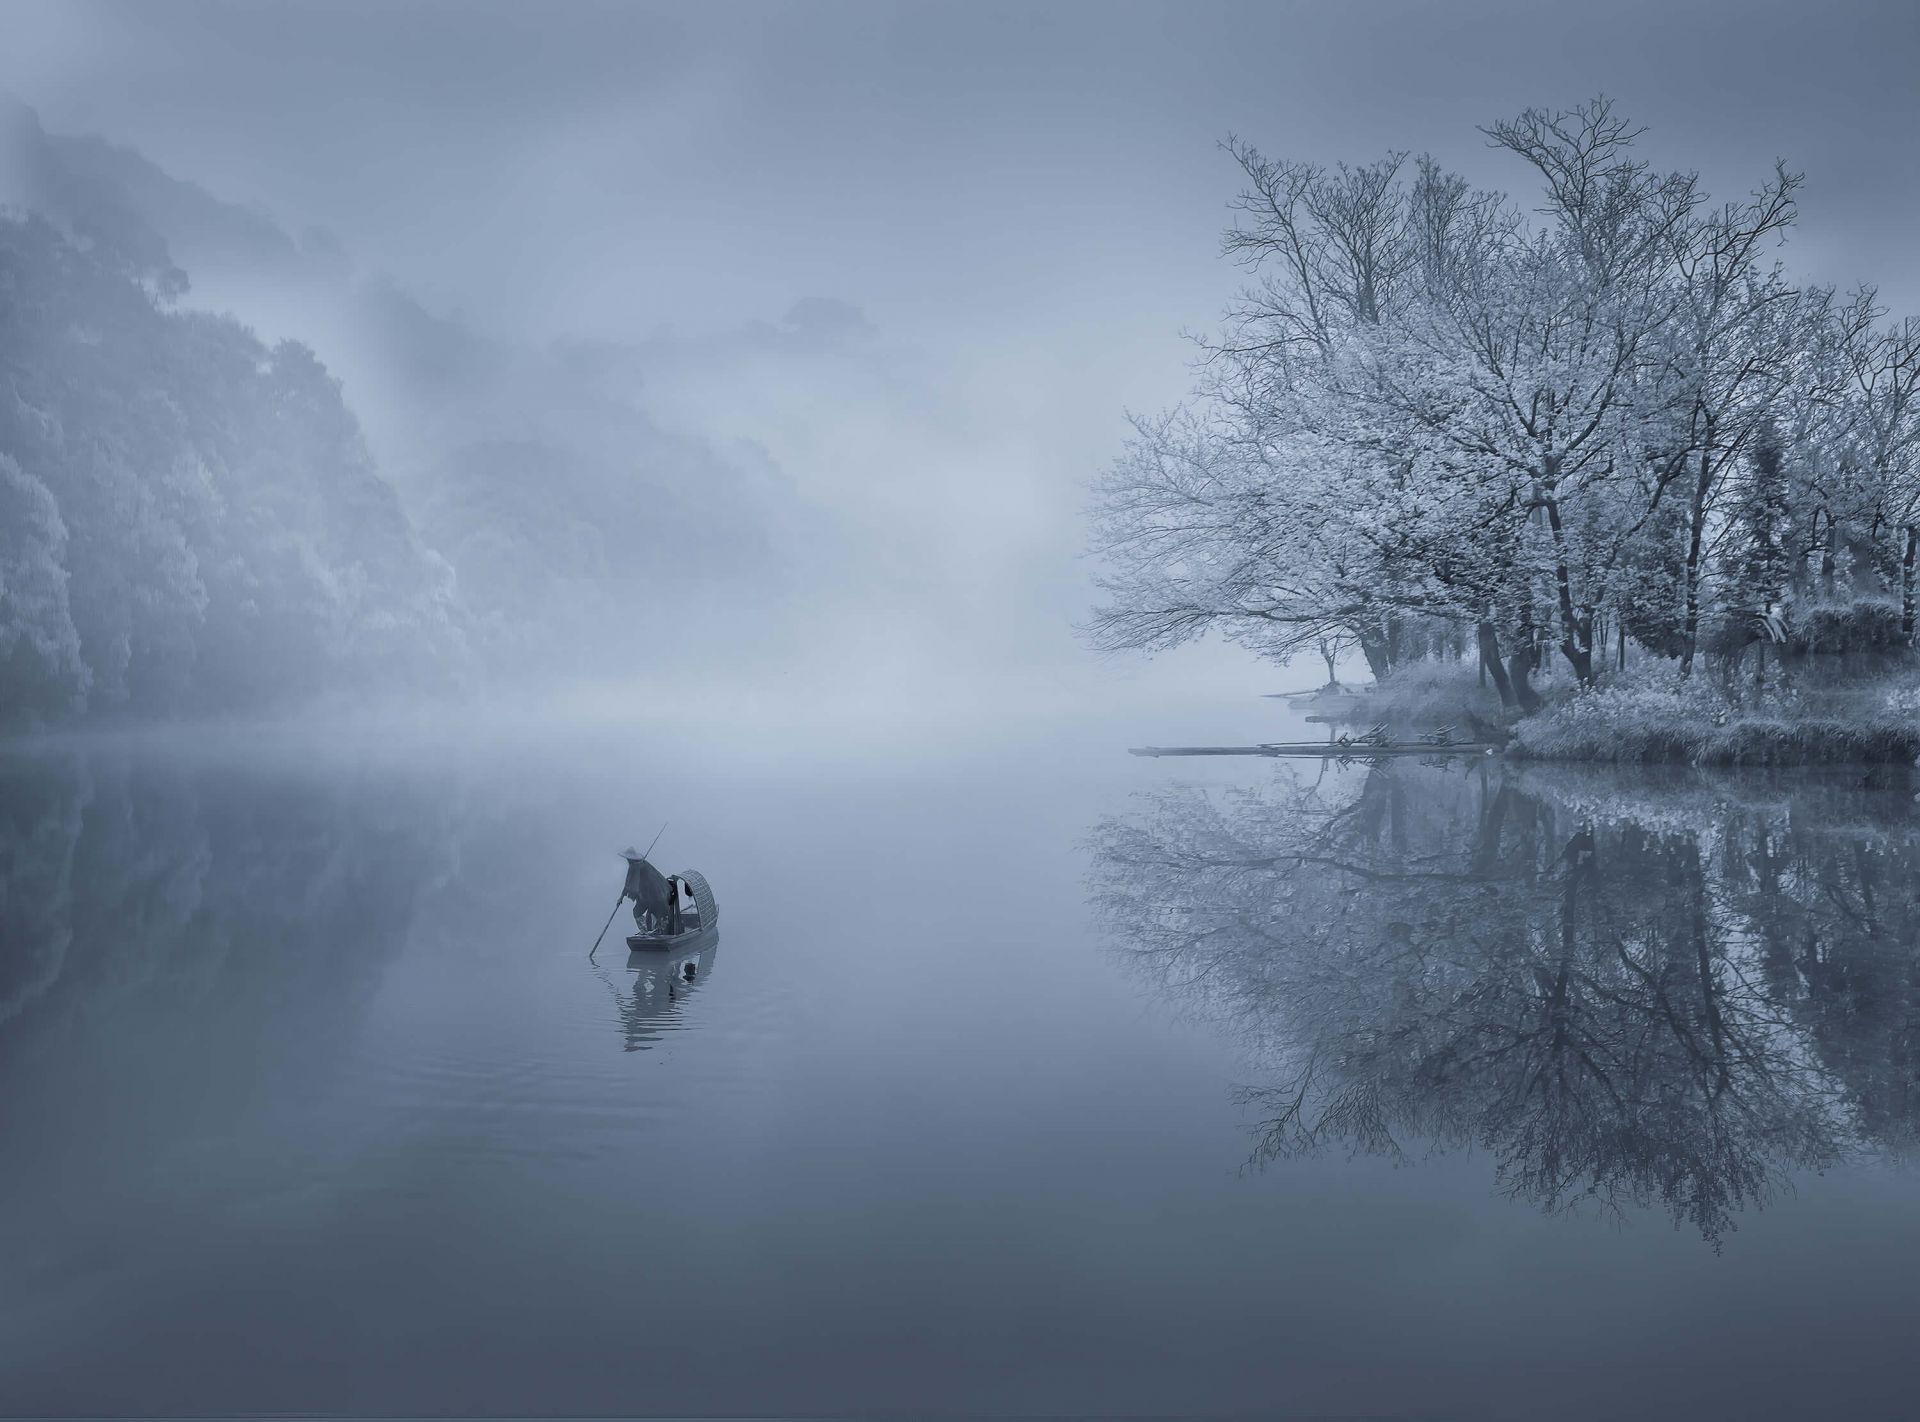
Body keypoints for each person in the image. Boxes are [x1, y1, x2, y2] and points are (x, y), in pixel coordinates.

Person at [619, 849, 680, 935]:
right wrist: (621, 897)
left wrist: (622, 896)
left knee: (655, 914)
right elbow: (629, 883)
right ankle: (648, 931)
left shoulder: (638, 866)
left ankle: (654, 931)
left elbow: (632, 885)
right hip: (646, 896)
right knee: (638, 912)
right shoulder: (636, 865)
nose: (627, 860)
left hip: (655, 895)